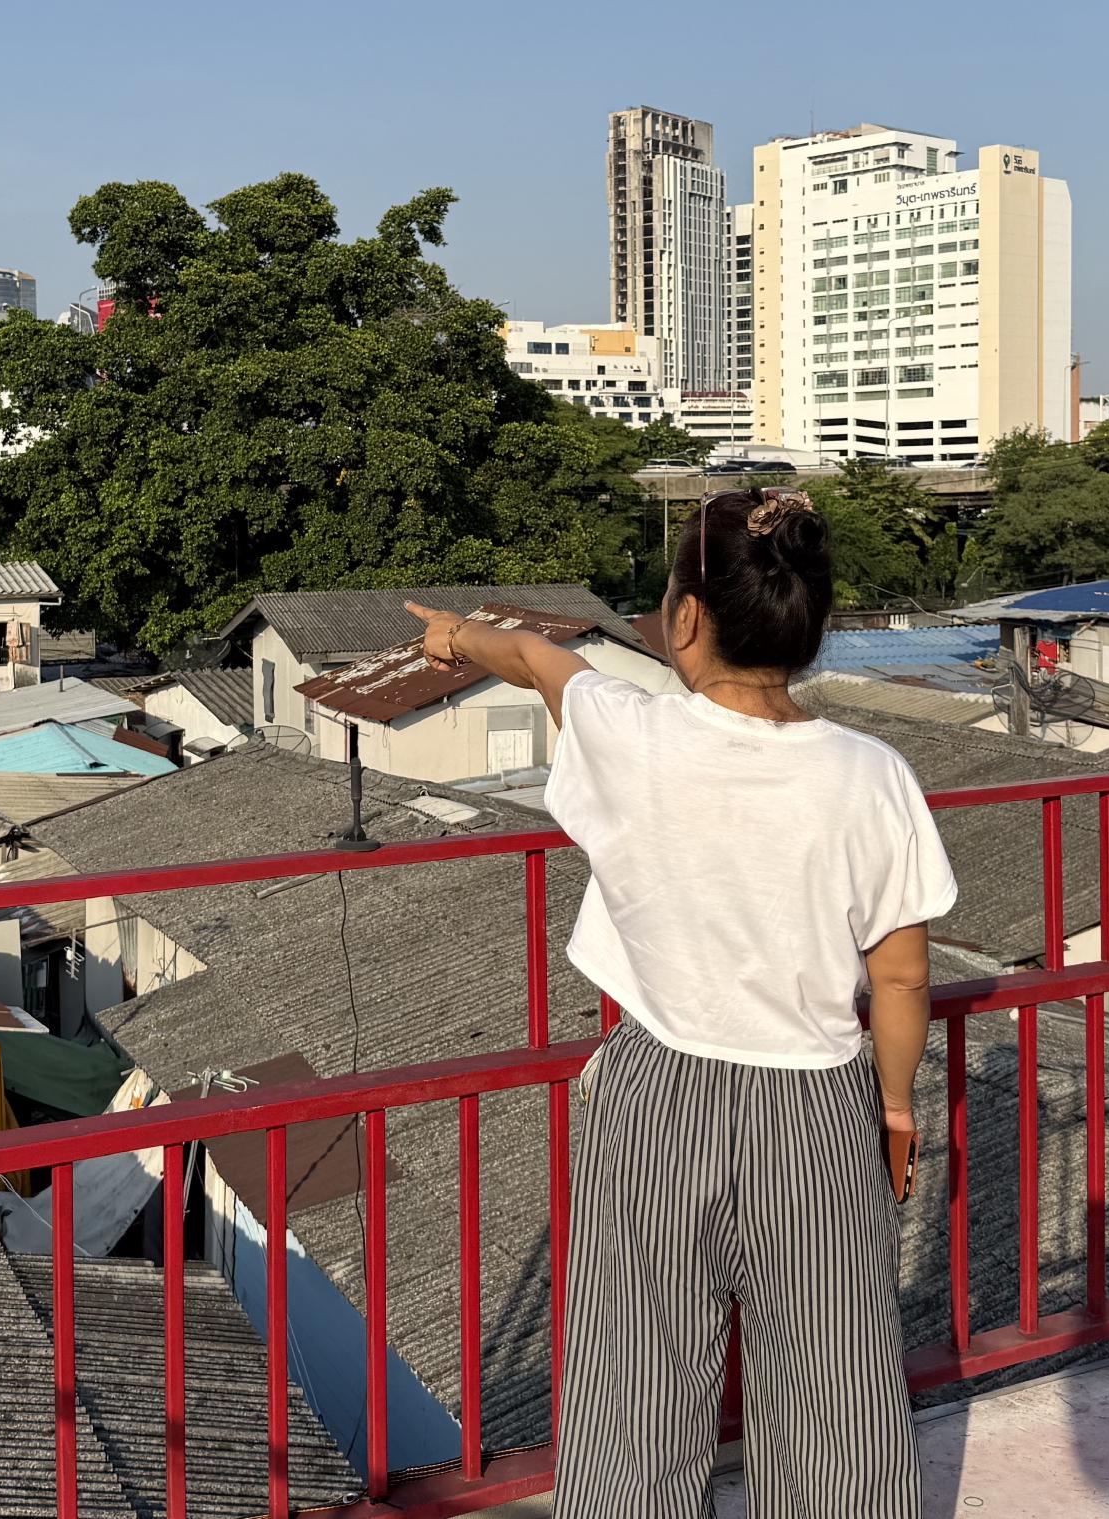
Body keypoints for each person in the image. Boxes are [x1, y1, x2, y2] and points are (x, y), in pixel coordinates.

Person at [402, 486, 955, 1518]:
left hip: (658, 1088)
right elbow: (901, 974)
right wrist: (894, 1106)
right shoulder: (871, 775)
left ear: (688, 621)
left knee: (637, 1384)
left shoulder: (630, 732)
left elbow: (535, 661)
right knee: (839, 1389)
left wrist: (456, 636)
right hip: (822, 1099)